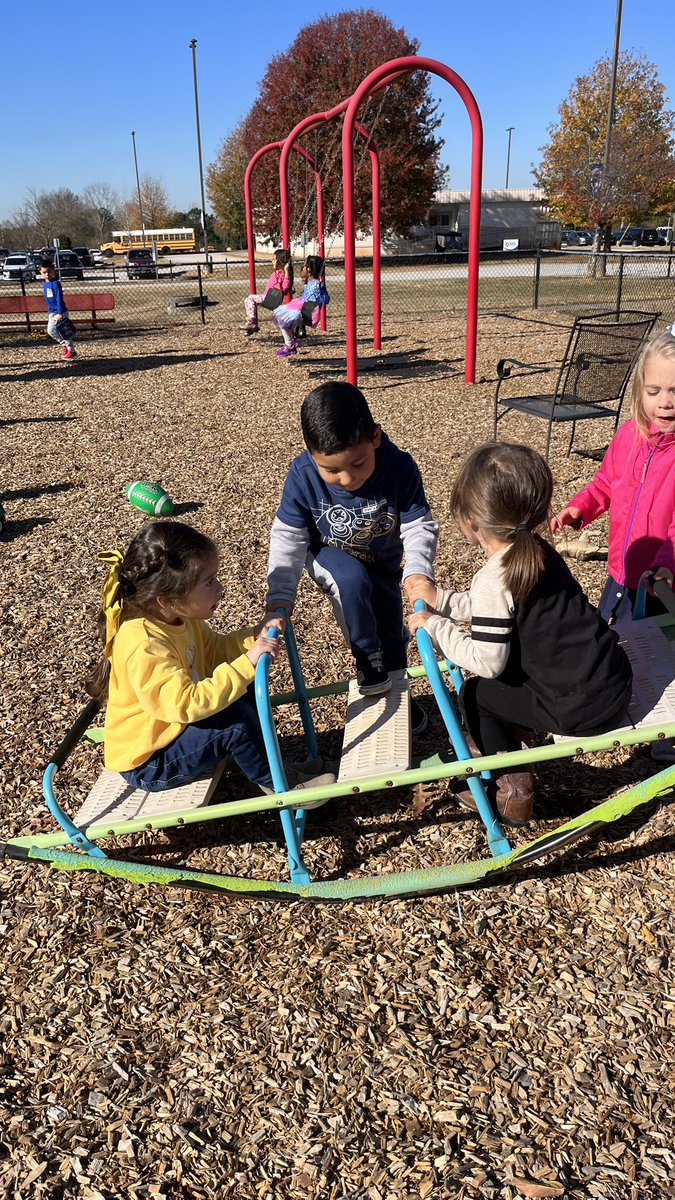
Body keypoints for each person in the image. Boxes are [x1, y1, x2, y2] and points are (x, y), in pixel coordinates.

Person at [408, 443, 633, 827]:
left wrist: (435, 625)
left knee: (476, 694)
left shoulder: (494, 576)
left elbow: (486, 662)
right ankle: (509, 737)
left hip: (579, 708)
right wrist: (442, 601)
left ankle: (512, 789)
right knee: (508, 669)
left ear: (471, 521)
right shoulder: (537, 550)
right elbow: (498, 610)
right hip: (612, 679)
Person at [85, 520, 334, 801]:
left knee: (243, 688)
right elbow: (183, 703)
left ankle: (278, 767)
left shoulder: (178, 617)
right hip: (150, 760)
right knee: (235, 723)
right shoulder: (143, 644)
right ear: (168, 600)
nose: (220, 588)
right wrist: (247, 663)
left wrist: (253, 638)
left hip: (171, 732)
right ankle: (283, 787)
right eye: (209, 582)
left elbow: (213, 651)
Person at [266, 381, 438, 731]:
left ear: (376, 437)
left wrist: (418, 572)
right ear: (310, 452)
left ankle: (397, 694)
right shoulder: (303, 475)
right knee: (352, 581)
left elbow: (418, 526)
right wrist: (280, 597)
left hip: (383, 561)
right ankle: (366, 658)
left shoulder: (399, 467)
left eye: (358, 463)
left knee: (391, 632)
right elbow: (289, 537)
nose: (346, 478)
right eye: (331, 470)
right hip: (328, 552)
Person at [550, 328, 675, 624]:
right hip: (620, 570)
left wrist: (667, 564)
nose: (665, 402)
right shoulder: (628, 436)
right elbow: (606, 482)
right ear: (640, 391)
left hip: (660, 582)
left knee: (649, 647)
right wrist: (580, 507)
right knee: (610, 634)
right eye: (654, 391)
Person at [272, 255, 329, 359]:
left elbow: (324, 300)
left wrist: (322, 289)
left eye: (303, 265)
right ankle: (290, 344)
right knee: (283, 320)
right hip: (301, 308)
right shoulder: (311, 282)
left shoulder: (316, 284)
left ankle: (290, 345)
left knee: (283, 318)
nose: (301, 268)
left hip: (307, 312)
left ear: (308, 269)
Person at [239, 248, 293, 336]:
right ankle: (253, 325)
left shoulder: (284, 274)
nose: (272, 261)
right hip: (268, 297)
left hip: (272, 299)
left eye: (274, 259)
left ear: (280, 261)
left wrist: (286, 271)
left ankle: (251, 321)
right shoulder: (277, 273)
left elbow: (285, 287)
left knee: (250, 299)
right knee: (251, 301)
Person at [40, 259, 77, 361]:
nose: (47, 274)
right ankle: (65, 346)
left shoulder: (56, 283)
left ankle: (72, 351)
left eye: (49, 272)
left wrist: (60, 313)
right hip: (52, 312)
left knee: (64, 331)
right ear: (41, 273)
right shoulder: (45, 285)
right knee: (51, 331)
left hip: (60, 312)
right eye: (44, 272)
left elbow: (59, 299)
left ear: (53, 271)